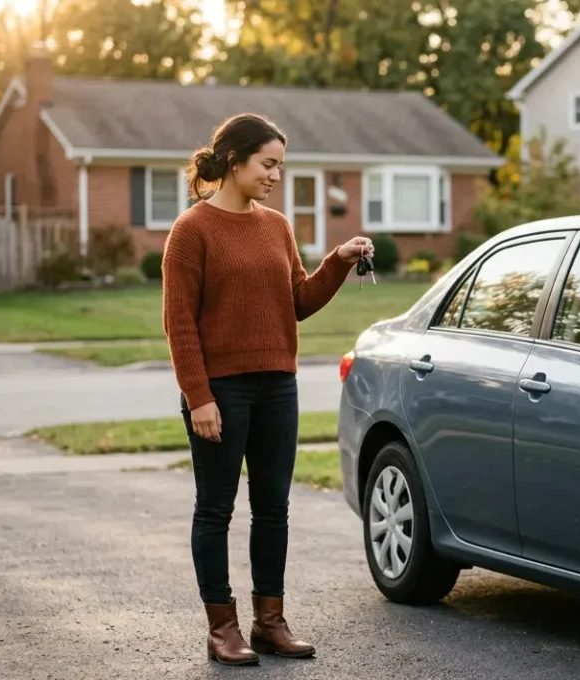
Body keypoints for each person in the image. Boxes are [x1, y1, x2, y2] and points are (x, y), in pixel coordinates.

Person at [161, 112, 374, 666]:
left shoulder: (276, 226)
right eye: (268, 163)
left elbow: (297, 301)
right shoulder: (192, 231)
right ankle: (221, 627)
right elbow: (179, 323)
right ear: (234, 162)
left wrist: (339, 260)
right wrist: (198, 396)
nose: (276, 175)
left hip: (278, 385)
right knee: (215, 509)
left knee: (273, 509)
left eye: (281, 164)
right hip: (221, 392)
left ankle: (269, 621)